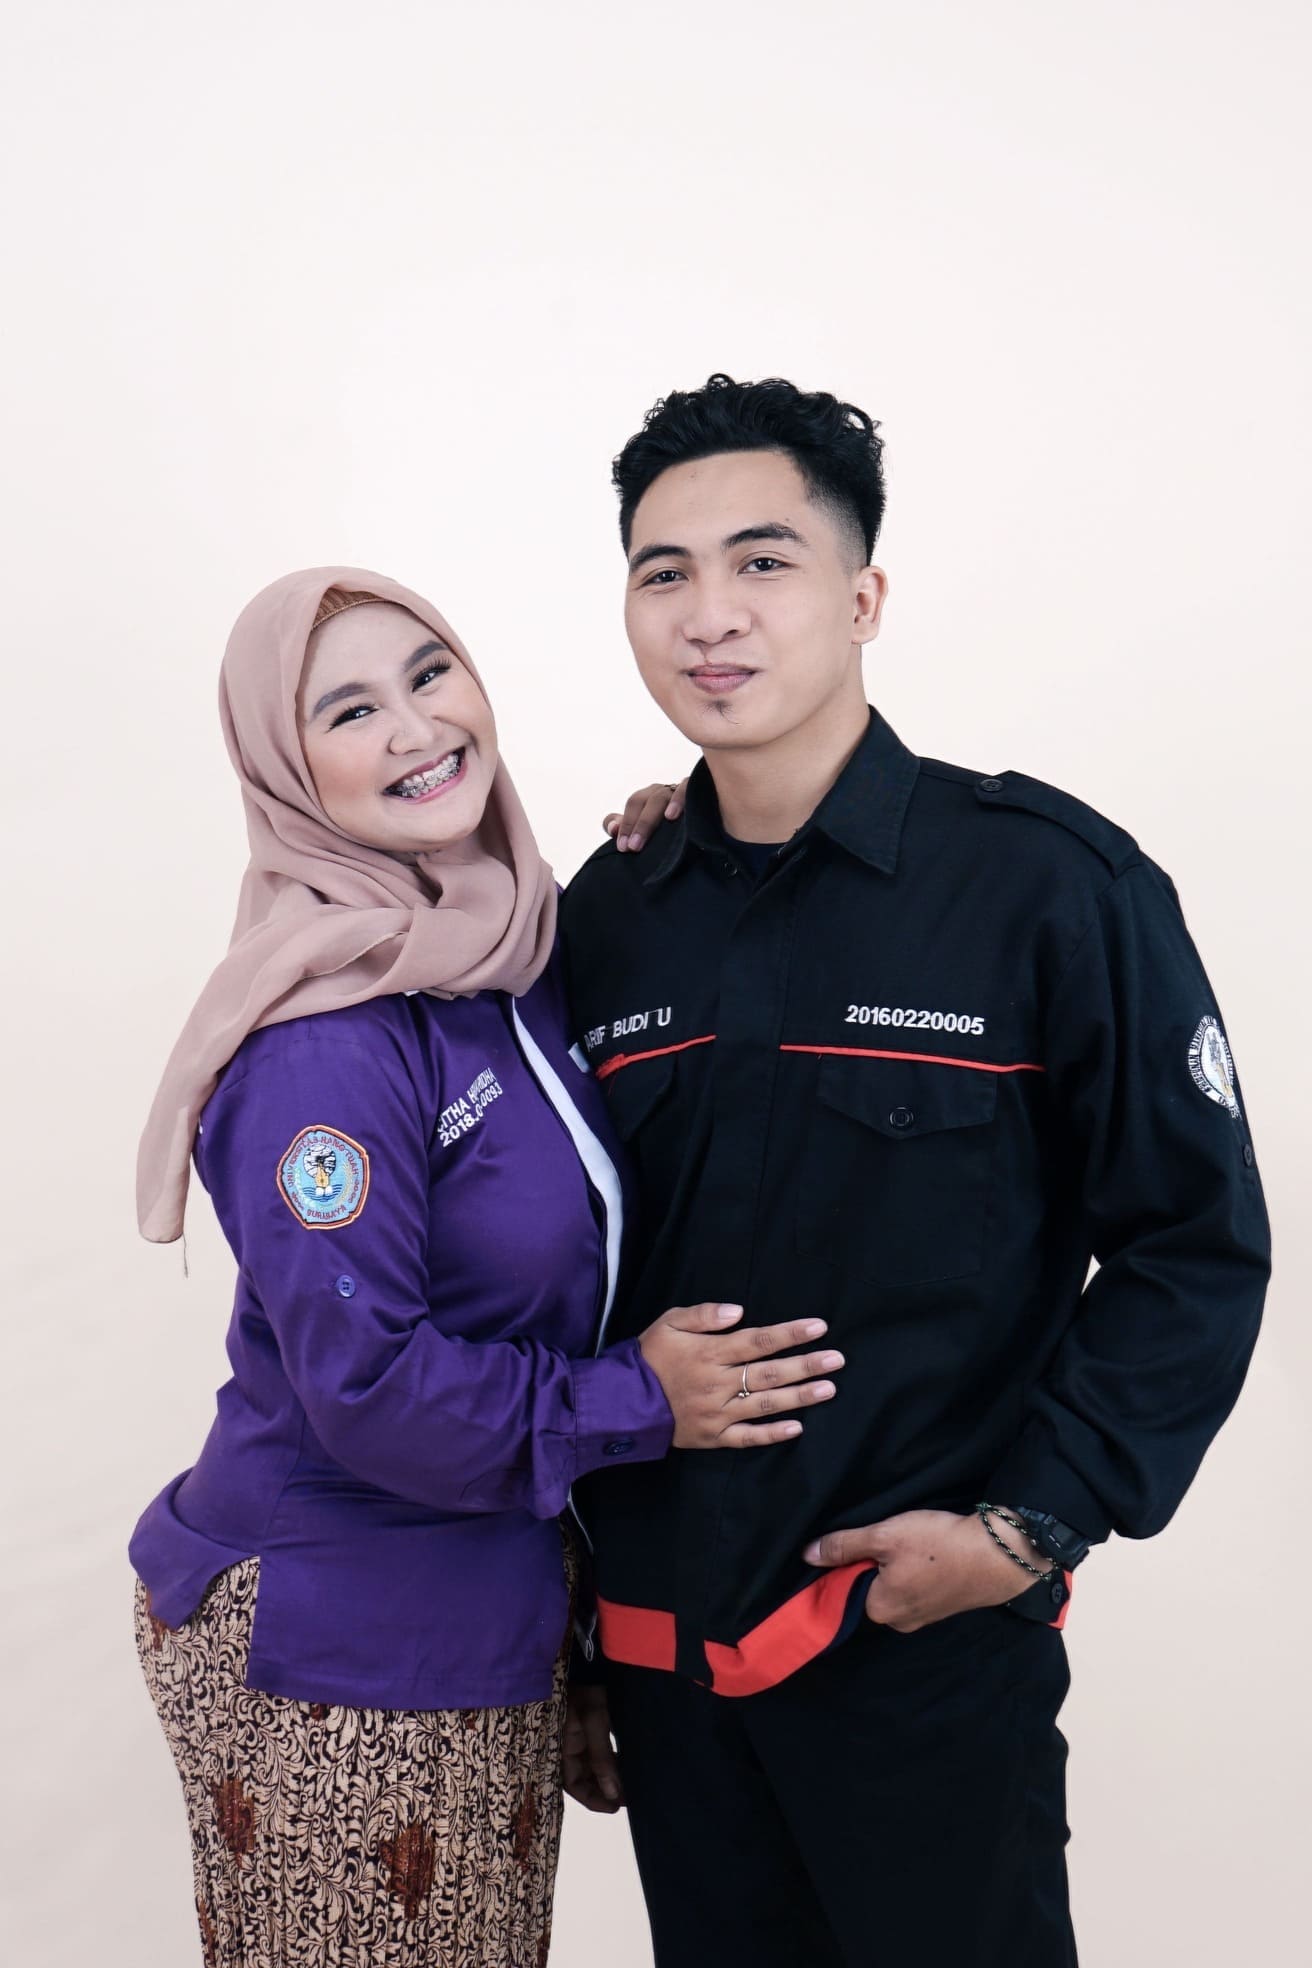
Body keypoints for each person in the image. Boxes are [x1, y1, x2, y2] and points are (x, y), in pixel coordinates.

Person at [559, 375, 1271, 1967]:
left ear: (863, 598)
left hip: (927, 1669)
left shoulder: (1043, 887)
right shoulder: (604, 919)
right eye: (664, 573)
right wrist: (578, 1634)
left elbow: (1193, 1242)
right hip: (669, 1684)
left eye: (763, 562)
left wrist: (1030, 1526)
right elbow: (549, 1274)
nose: (709, 614)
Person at [129, 567, 845, 1968]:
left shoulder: (501, 955)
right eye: (348, 711)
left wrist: (682, 840)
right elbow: (368, 1386)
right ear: (284, 768)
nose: (414, 728)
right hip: (339, 1643)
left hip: (483, 1613)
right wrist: (647, 1400)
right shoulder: (323, 1043)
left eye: (429, 674)